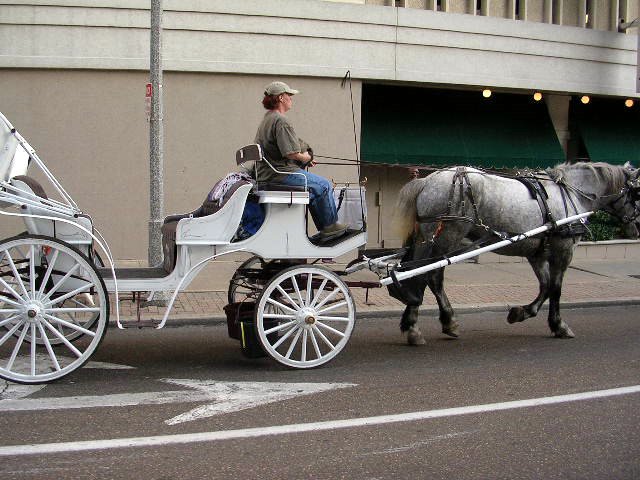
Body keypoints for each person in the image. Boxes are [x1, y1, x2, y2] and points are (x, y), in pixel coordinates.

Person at [254, 81, 348, 241]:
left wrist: (303, 159)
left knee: (316, 186)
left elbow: (280, 150)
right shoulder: (281, 121)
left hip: (267, 174)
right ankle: (330, 227)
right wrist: (306, 158)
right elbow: (291, 153)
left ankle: (326, 228)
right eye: (289, 95)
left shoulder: (267, 119)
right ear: (281, 98)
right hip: (279, 174)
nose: (291, 99)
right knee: (323, 185)